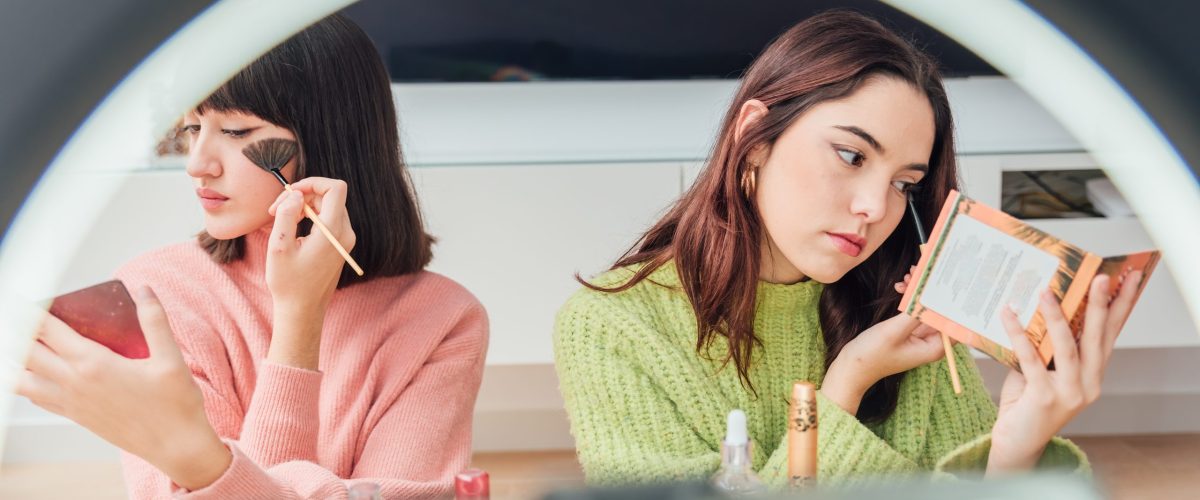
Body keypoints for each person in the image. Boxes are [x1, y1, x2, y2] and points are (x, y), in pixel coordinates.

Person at [554, 10, 1139, 487]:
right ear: (753, 138)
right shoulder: (613, 328)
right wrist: (845, 385)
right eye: (852, 156)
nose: (875, 208)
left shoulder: (909, 309)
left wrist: (1016, 446)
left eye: (904, 184)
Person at [18, 14, 488, 498]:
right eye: (192, 128)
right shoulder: (155, 296)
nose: (198, 164)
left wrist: (299, 316)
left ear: (331, 135)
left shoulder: (444, 320)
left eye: (238, 131)